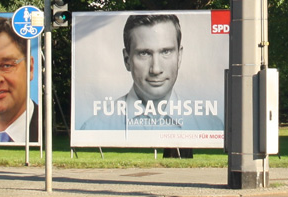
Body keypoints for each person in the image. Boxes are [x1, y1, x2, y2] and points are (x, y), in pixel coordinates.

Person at [81, 14, 223, 131]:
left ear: (179, 57)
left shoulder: (211, 125)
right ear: (127, 59)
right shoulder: (95, 127)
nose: (155, 69)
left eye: (166, 52)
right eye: (144, 53)